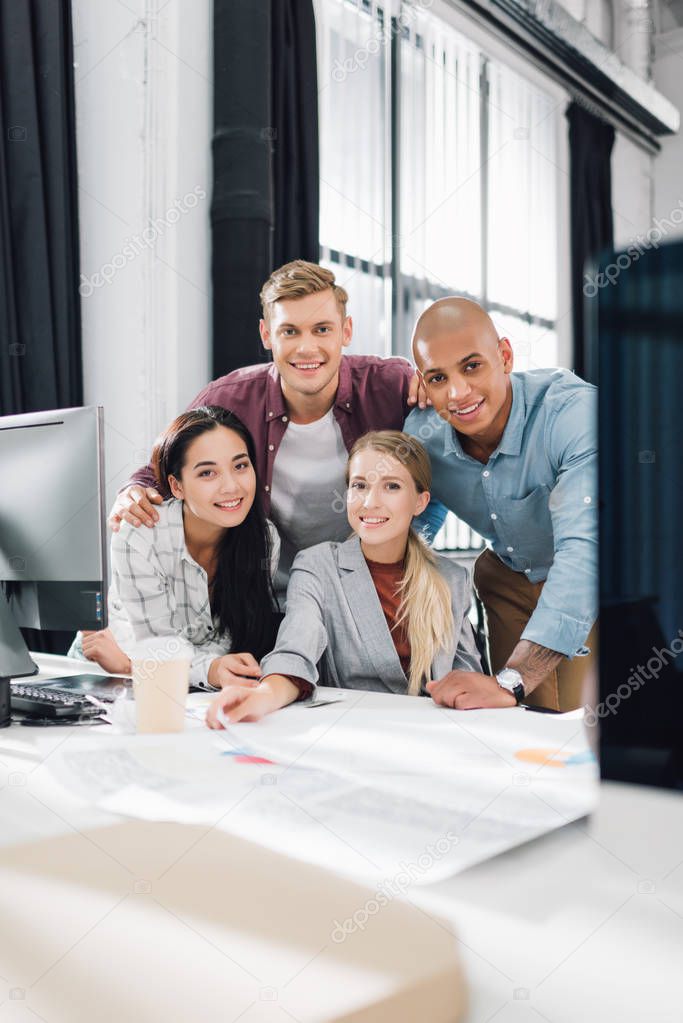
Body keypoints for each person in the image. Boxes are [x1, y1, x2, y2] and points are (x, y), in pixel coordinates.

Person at [109, 260, 443, 601]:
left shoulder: (391, 386)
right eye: (290, 331)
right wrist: (132, 491)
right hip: (259, 598)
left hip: (359, 594)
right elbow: (161, 471)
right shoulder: (227, 398)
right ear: (267, 335)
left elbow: (449, 460)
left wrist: (438, 383)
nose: (307, 347)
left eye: (322, 329)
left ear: (346, 331)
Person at [205, 431, 482, 727]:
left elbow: (467, 679)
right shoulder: (317, 567)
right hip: (349, 733)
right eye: (360, 485)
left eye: (391, 486)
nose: (370, 502)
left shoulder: (452, 579)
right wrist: (263, 696)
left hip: (434, 737)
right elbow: (296, 650)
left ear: (420, 501)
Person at [404, 297, 597, 712]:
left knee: (586, 732)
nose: (458, 393)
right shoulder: (422, 435)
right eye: (438, 378)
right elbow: (424, 505)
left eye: (472, 366)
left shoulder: (573, 413)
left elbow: (584, 551)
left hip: (597, 579)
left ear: (505, 356)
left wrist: (513, 679)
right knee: (520, 725)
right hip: (507, 578)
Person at [72, 406, 281, 691]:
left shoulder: (264, 539)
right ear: (177, 486)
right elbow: (155, 644)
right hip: (104, 673)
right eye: (208, 473)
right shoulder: (140, 536)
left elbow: (229, 641)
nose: (231, 486)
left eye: (240, 466)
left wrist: (213, 668)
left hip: (184, 683)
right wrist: (207, 669)